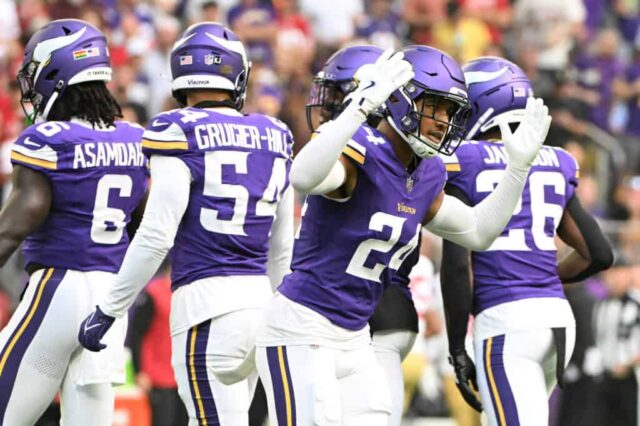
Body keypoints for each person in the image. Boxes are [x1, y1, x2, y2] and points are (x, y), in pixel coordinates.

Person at [255, 44, 551, 425]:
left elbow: (479, 232)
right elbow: (303, 176)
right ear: (400, 101)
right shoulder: (360, 148)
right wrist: (357, 108)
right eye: (436, 106)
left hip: (356, 336)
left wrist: (517, 173)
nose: (444, 121)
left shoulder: (427, 172)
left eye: (450, 112)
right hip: (301, 328)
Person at [78, 22, 294, 426]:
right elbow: (283, 247)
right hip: (260, 306)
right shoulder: (275, 134)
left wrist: (109, 308)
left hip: (206, 308)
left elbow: (157, 233)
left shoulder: (178, 129)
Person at [439, 56, 614, 426]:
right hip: (556, 320)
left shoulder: (463, 160)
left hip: (507, 322)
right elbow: (598, 253)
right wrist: (539, 280)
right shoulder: (557, 159)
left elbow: (457, 264)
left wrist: (456, 346)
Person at [0, 19, 148, 425]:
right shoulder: (134, 139)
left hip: (59, 288)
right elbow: (145, 226)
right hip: (112, 300)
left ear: (56, 73)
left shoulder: (48, 139)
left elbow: (18, 220)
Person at [305, 44, 420, 426]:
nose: (327, 108)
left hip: (360, 315)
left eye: (339, 95)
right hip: (384, 309)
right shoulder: (406, 160)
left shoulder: (362, 155)